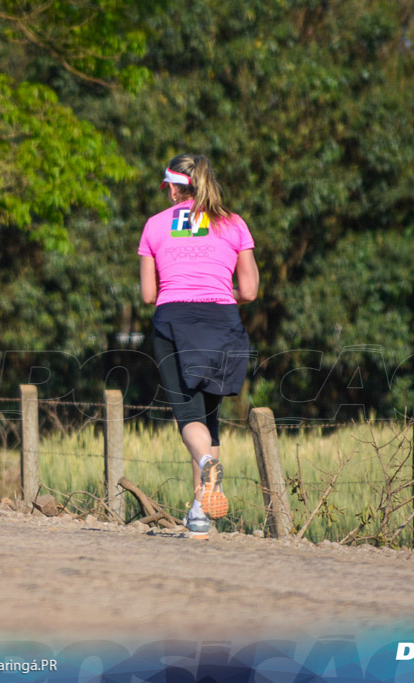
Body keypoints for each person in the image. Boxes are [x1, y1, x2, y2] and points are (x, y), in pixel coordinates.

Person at [138, 154, 259, 537]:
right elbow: (251, 291)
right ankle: (199, 513)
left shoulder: (154, 226)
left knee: (187, 417)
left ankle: (207, 465)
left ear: (174, 188)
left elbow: (147, 294)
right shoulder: (234, 224)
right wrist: (217, 293)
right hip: (222, 320)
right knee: (208, 417)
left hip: (174, 320)